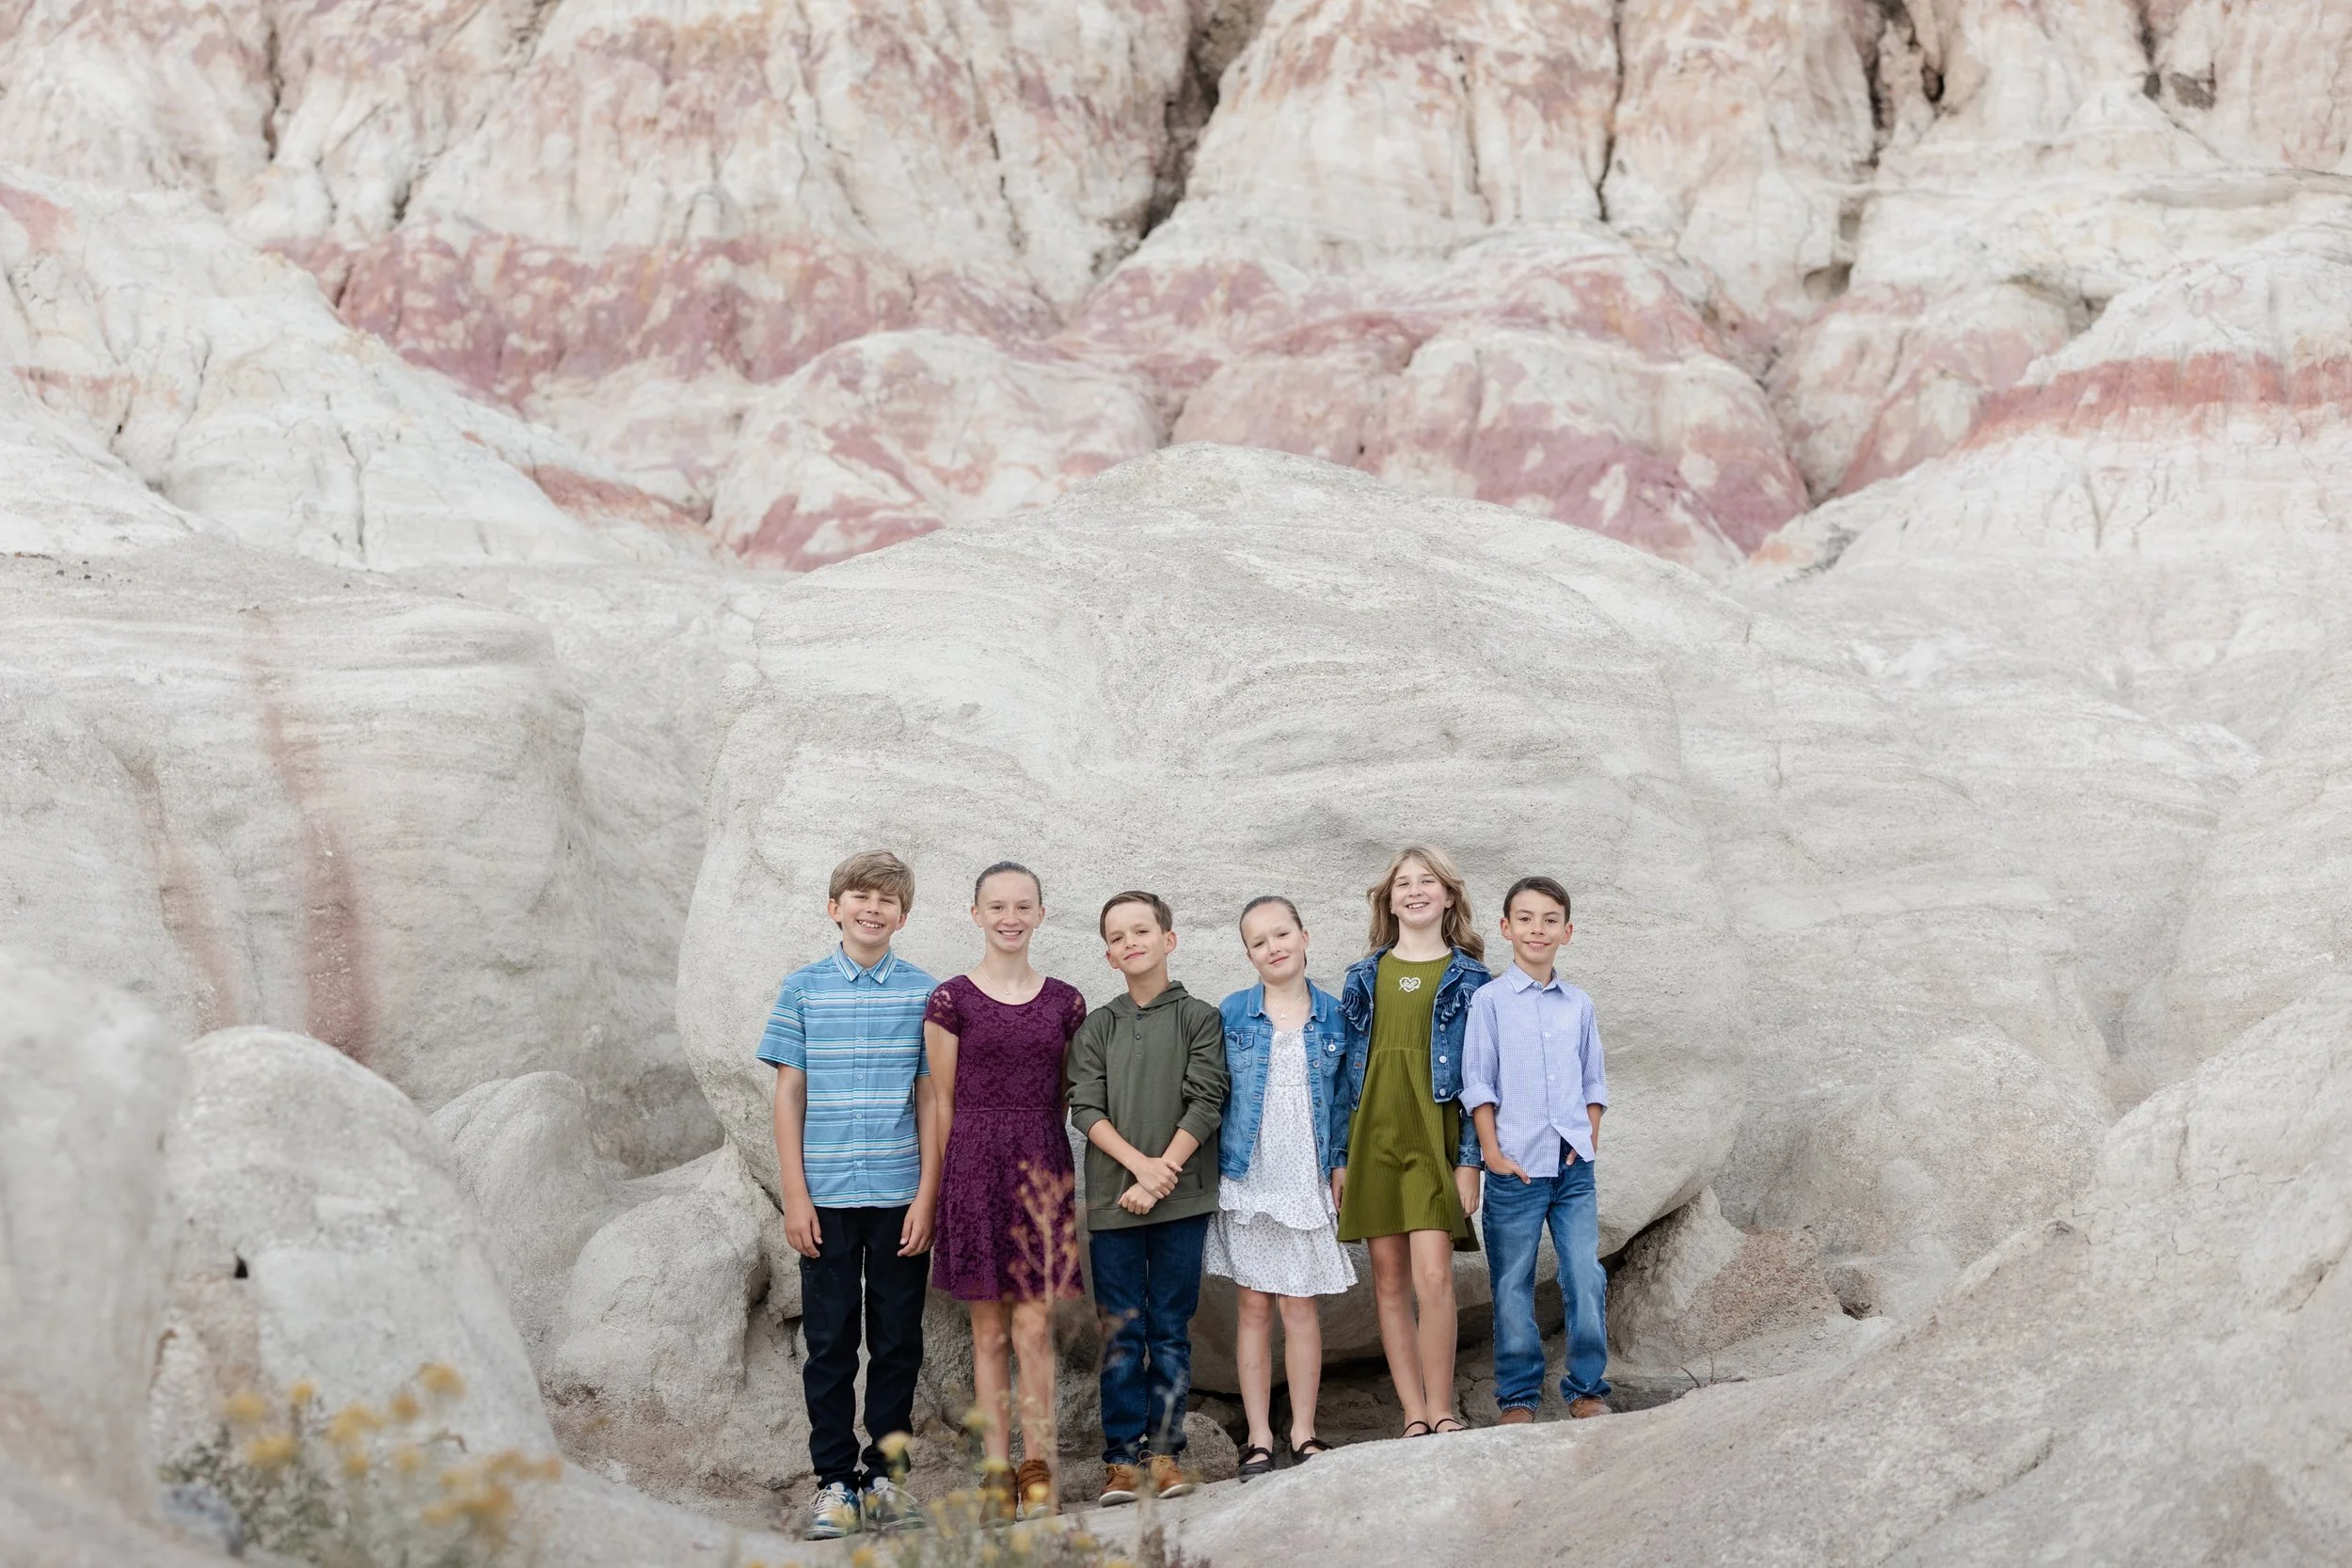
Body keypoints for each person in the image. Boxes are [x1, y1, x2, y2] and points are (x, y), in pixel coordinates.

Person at [759, 850, 940, 1540]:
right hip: (826, 1194)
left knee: (899, 1340)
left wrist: (927, 1193)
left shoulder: (923, 993)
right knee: (831, 1340)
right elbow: (789, 1093)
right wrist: (795, 1193)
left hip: (898, 1191)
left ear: (903, 914)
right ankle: (835, 1480)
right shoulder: (803, 988)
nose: (873, 907)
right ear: (835, 906)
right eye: (860, 895)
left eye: (888, 900)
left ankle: (887, 1478)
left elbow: (928, 1097)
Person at [922, 863, 1089, 1520]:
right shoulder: (951, 999)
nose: (1010, 916)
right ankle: (996, 1468)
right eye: (997, 905)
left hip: (1042, 1165)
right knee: (987, 1332)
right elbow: (940, 1101)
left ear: (1041, 914)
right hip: (972, 1167)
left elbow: (1076, 1092)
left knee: (1032, 1328)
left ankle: (1036, 1465)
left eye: (1023, 905)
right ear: (976, 913)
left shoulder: (1066, 1002)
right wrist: (938, 1190)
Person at [1066, 891, 1228, 1506]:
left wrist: (1167, 1172)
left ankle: (1165, 1454)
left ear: (1169, 938)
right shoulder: (1098, 1025)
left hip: (1182, 1202)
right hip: (1114, 1201)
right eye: (1118, 935)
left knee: (1169, 1328)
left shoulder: (1199, 1017)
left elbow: (1207, 1097)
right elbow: (1086, 1107)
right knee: (1122, 1331)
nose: (1131, 940)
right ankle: (1120, 1461)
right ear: (1108, 953)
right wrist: (1140, 1169)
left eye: (1142, 929)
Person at [1332, 846, 1492, 1437]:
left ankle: (1444, 1406)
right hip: (1373, 1134)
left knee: (1434, 1277)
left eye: (1429, 881)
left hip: (1436, 1138)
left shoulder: (1473, 978)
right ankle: (1413, 1414)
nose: (1416, 890)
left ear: (1449, 896)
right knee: (1390, 1280)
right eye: (1404, 883)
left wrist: (1470, 1160)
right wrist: (1341, 1156)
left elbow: (1481, 1077)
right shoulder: (1363, 976)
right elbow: (1345, 1071)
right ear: (1389, 898)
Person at [1204, 895, 1355, 1479]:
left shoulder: (1336, 1016)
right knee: (1252, 1306)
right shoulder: (1234, 1013)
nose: (1274, 947)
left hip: (1305, 1174)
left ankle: (1305, 1432)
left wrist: (1340, 1163)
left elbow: (1346, 1099)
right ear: (1248, 953)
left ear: (1304, 935)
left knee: (1301, 1307)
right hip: (1252, 1172)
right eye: (1259, 941)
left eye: (1282, 934)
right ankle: (1260, 1436)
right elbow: (1215, 1095)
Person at [1462, 875, 1612, 1423]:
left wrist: (1588, 1134)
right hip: (1515, 1169)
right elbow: (1477, 1085)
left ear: (1567, 932)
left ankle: (1588, 1388)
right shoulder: (1490, 1002)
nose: (1537, 929)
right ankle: (1519, 1397)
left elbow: (1594, 1080)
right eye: (1525, 919)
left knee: (1583, 1273)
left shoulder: (1579, 1004)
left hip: (1573, 1171)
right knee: (1511, 1284)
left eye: (1550, 920)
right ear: (1506, 928)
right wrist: (1490, 1155)